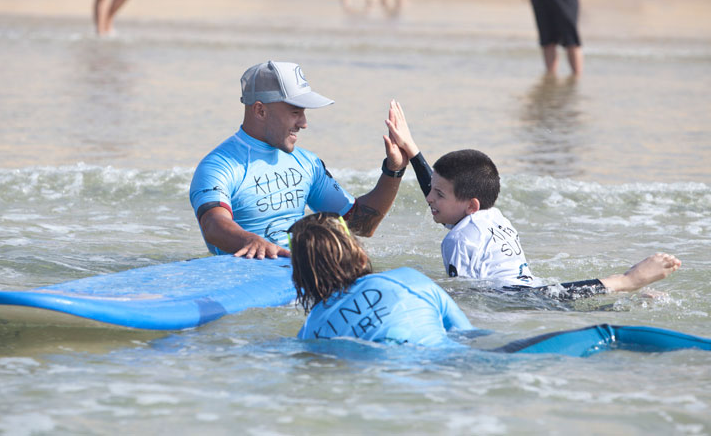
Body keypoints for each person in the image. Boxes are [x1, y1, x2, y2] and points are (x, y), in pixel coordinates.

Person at [289, 212, 711, 356]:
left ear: (302, 275)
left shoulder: (311, 331)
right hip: (472, 368)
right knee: (609, 338)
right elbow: (471, 336)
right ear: (355, 252)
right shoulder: (407, 280)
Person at [384, 100, 681, 296]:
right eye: (432, 191)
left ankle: (631, 280)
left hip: (517, 298)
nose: (429, 198)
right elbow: (449, 201)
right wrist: (412, 151)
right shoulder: (489, 215)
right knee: (566, 302)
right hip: (535, 286)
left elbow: (463, 295)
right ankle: (636, 294)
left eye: (437, 194)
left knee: (602, 290)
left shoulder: (458, 239)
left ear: (470, 205)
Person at [189, 61, 409, 259]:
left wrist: (394, 170)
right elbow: (213, 225)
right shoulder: (219, 166)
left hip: (299, 274)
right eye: (295, 112)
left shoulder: (307, 163)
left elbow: (360, 225)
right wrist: (251, 241)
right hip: (243, 276)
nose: (304, 123)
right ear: (260, 110)